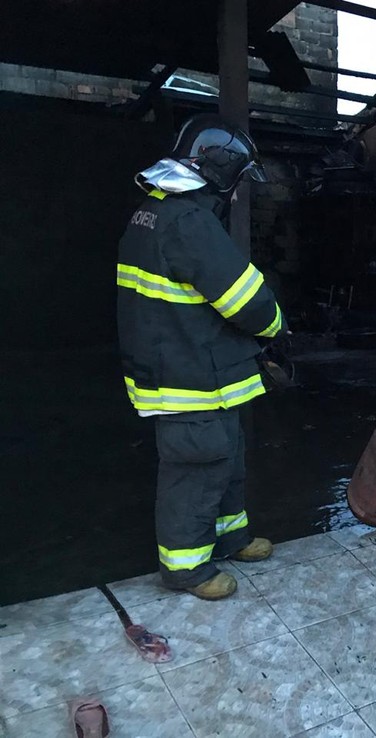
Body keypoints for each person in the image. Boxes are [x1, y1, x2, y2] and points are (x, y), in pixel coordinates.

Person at [117, 114, 287, 600]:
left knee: (225, 457)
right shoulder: (187, 221)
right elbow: (245, 299)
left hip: (191, 367)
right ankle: (187, 568)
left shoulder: (153, 210)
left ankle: (230, 538)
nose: (235, 193)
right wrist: (278, 327)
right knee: (196, 469)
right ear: (220, 172)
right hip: (186, 377)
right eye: (236, 182)